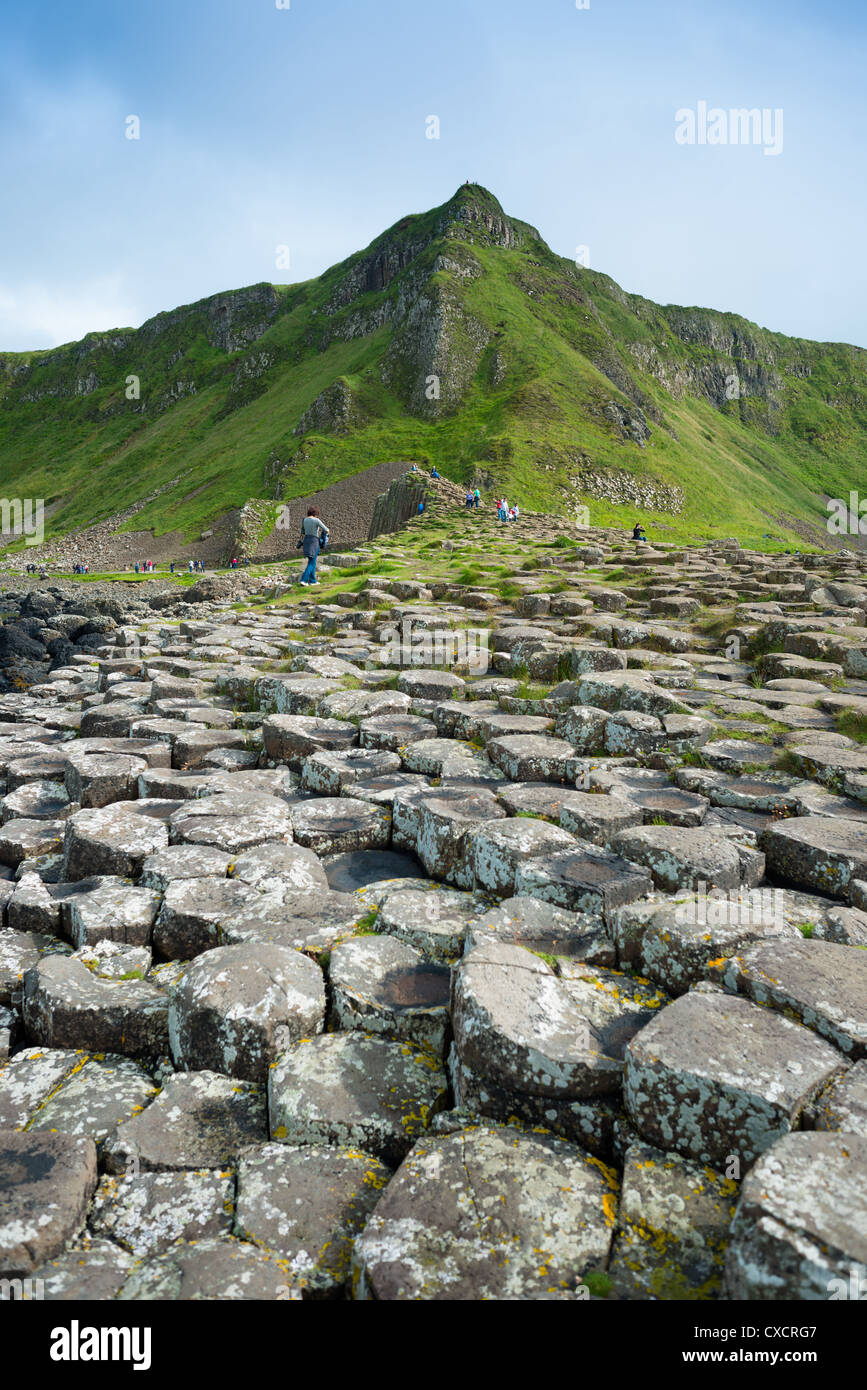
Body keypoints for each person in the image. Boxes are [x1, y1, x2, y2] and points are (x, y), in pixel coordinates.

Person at [298, 506, 329, 585]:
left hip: (306, 541)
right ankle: (304, 580)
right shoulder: (316, 520)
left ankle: (313, 581)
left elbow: (302, 531)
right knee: (312, 562)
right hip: (314, 541)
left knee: (312, 561)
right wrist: (325, 536)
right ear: (315, 513)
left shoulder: (304, 520)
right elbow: (326, 529)